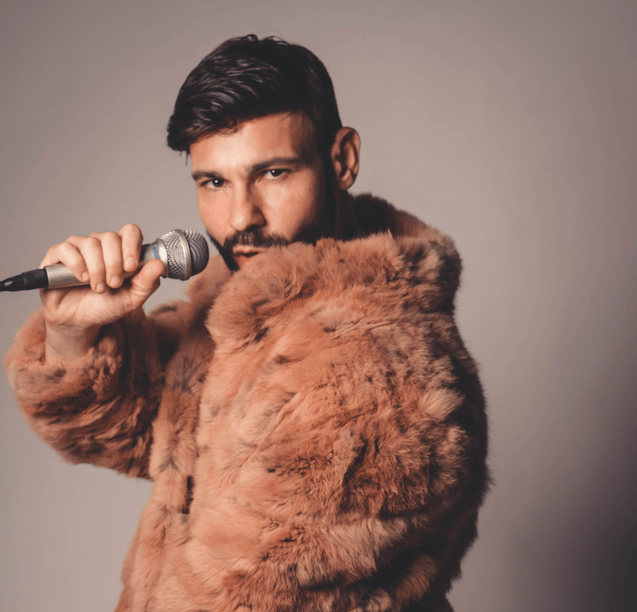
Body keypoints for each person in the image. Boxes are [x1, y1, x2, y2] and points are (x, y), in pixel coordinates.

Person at [4, 35, 488, 611]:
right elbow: (146, 433)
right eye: (214, 182)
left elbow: (244, 597)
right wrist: (72, 332)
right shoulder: (251, 310)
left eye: (274, 173)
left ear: (342, 160)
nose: (240, 218)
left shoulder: (374, 373)